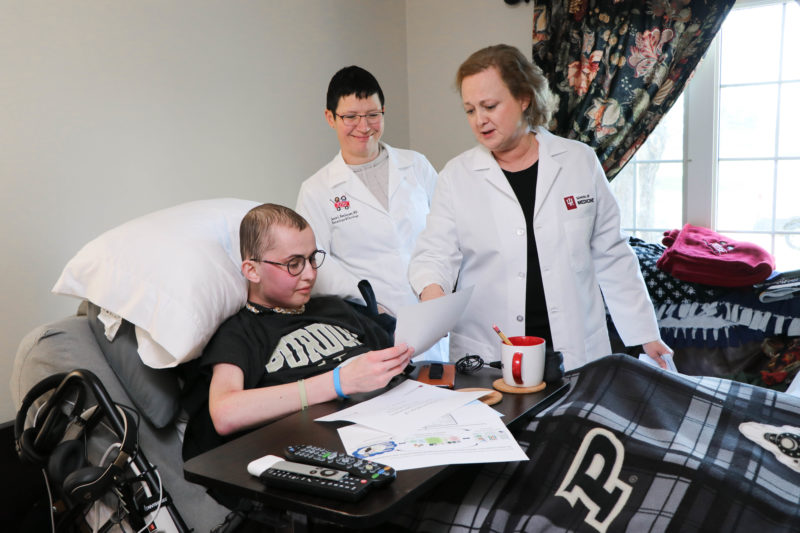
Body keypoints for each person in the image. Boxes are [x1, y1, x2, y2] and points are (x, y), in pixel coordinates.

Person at [408, 44, 672, 372]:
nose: (480, 120)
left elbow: (612, 255)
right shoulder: (456, 177)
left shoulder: (578, 162)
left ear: (524, 98)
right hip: (490, 355)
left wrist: (645, 334)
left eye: (490, 106)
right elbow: (434, 255)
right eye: (470, 109)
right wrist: (434, 298)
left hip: (575, 351)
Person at [182, 204, 414, 463]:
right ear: (252, 270)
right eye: (294, 264)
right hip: (327, 452)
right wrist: (338, 382)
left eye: (313, 259)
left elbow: (393, 352)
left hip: (394, 422)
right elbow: (225, 413)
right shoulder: (240, 332)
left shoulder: (334, 308)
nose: (310, 273)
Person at [296, 65, 447, 361]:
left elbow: (446, 231)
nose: (364, 127)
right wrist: (370, 302)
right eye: (350, 117)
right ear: (330, 118)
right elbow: (317, 264)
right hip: (369, 326)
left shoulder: (416, 166)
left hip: (433, 317)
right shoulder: (316, 190)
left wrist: (438, 289)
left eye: (372, 115)